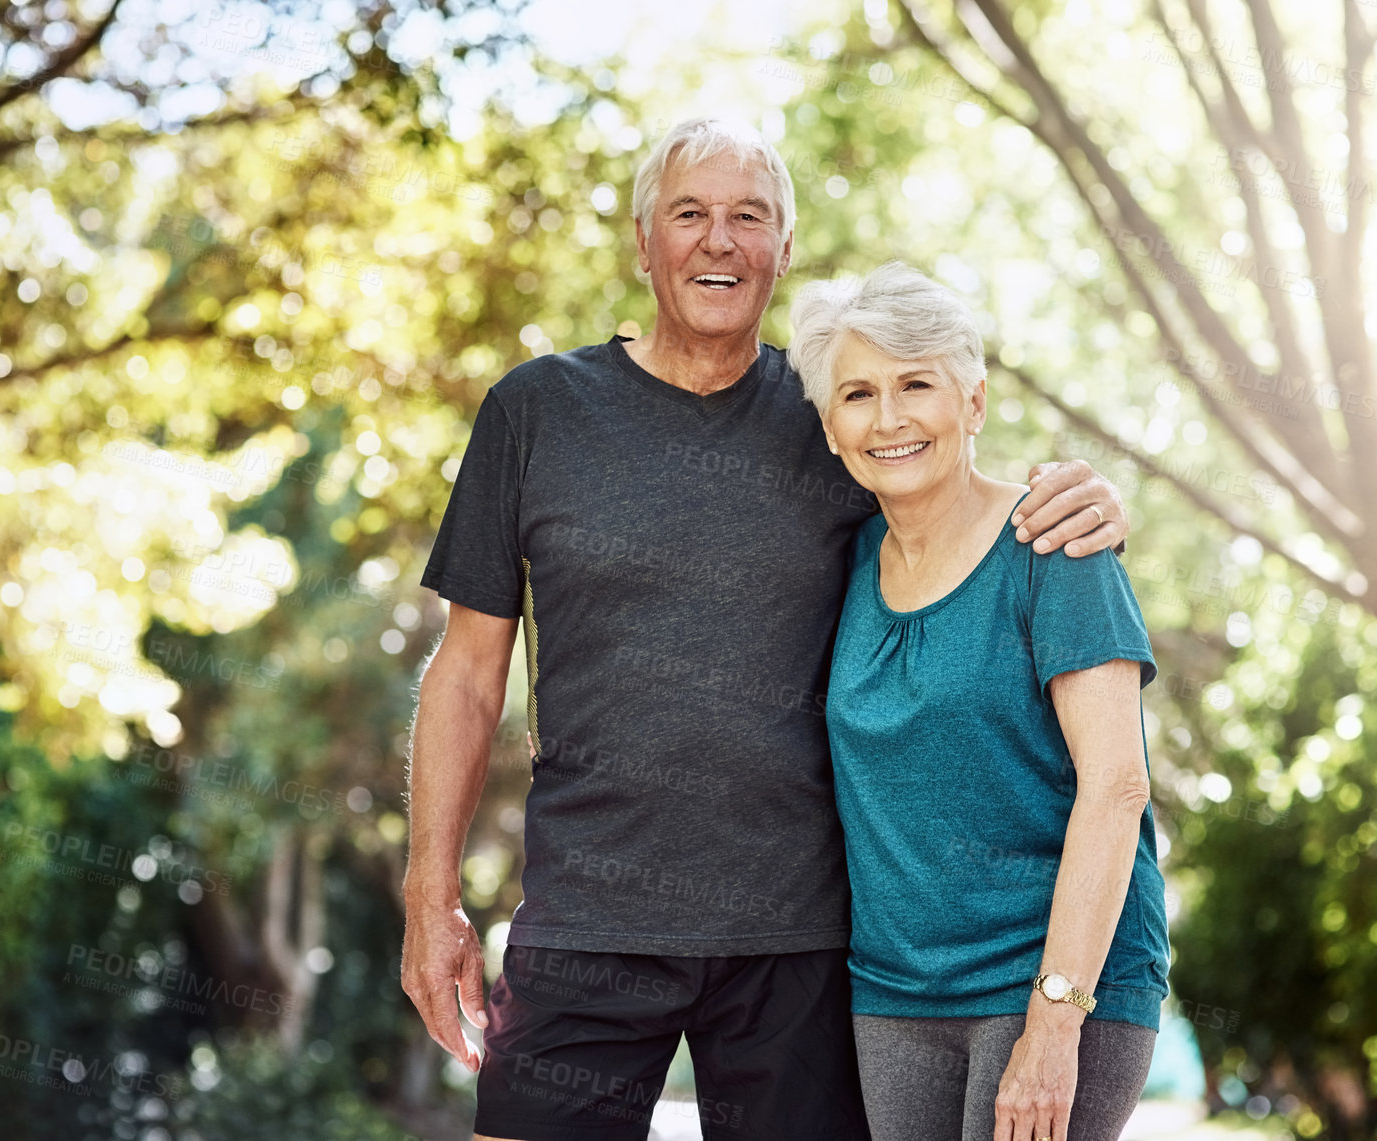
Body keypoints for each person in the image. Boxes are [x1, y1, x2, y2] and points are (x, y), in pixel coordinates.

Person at [402, 118, 1133, 1141]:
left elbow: (957, 497)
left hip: (803, 942)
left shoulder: (832, 412)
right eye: (690, 214)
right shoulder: (535, 411)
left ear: (784, 251)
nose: (719, 241)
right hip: (590, 917)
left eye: (750, 218)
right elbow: (469, 674)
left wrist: (1085, 495)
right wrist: (430, 893)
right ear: (643, 241)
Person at [788, 261, 1169, 1141]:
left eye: (916, 383)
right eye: (858, 393)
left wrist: (1054, 1021)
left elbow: (1117, 787)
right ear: (832, 429)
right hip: (893, 994)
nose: (889, 418)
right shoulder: (845, 561)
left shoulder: (1055, 544)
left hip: (1052, 979)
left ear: (973, 401)